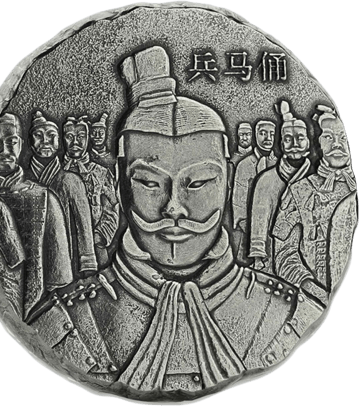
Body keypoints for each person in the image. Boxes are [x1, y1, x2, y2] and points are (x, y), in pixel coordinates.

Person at [30, 46, 323, 395]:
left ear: (229, 182)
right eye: (149, 183)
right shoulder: (69, 322)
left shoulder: (285, 314)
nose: (173, 208)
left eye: (197, 183)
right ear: (120, 184)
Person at [0, 113, 73, 321]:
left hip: (33, 317)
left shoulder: (45, 199)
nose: (4, 151)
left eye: (11, 143)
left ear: (21, 145)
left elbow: (60, 281)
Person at [272, 105, 358, 303]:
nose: (337, 144)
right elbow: (284, 255)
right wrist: (315, 291)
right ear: (316, 142)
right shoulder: (299, 191)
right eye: (328, 137)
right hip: (314, 303)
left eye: (343, 137)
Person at [27, 111, 98, 277]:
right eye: (38, 135)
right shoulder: (24, 180)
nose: (45, 141)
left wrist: (88, 263)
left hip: (64, 263)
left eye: (51, 136)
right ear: (29, 142)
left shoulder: (70, 180)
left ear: (59, 142)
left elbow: (84, 226)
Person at [249, 101, 311, 272]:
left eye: (300, 138)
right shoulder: (266, 181)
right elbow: (259, 223)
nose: (295, 144)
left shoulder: (317, 179)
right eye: (288, 139)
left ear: (308, 143)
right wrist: (258, 258)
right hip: (274, 260)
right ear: (282, 145)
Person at [63, 115, 119, 268]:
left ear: (88, 139)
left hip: (95, 247)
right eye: (69, 137)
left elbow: (113, 208)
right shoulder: (57, 174)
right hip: (64, 247)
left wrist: (99, 237)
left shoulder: (101, 172)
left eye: (81, 137)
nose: (75, 142)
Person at [231, 119, 278, 263]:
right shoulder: (244, 165)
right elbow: (238, 198)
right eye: (263, 133)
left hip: (275, 229)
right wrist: (245, 224)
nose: (268, 138)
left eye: (271, 134)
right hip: (249, 230)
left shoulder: (279, 164)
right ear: (255, 135)